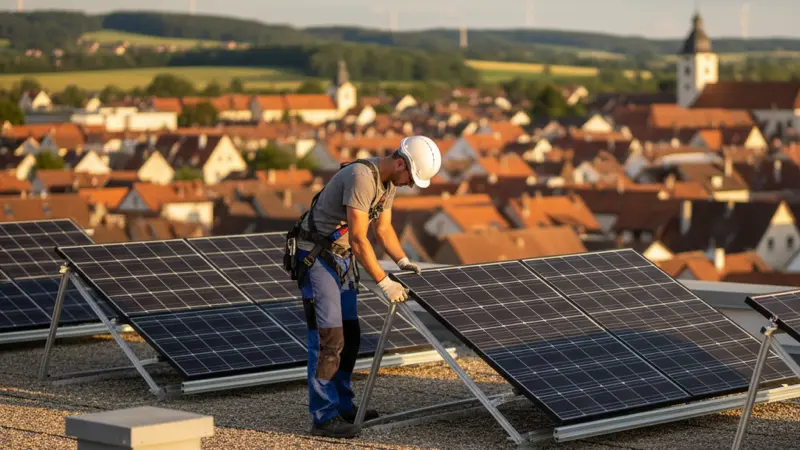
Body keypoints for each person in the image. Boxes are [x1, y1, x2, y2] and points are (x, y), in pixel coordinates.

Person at [283, 135, 442, 439]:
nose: (411, 184)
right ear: (400, 163)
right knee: (329, 339)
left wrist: (402, 260)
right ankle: (323, 417)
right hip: (317, 257)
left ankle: (343, 405)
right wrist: (384, 282)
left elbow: (383, 228)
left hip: (341, 259)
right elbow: (359, 239)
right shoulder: (361, 177)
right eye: (411, 178)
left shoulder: (388, 184)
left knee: (351, 336)